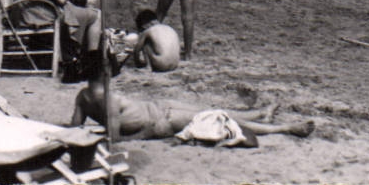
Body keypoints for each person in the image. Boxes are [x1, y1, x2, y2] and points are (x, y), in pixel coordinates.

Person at [67, 57, 314, 141]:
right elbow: (114, 138)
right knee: (218, 118)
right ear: (106, 72)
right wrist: (147, 135)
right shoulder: (109, 99)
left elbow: (75, 129)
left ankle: (261, 113)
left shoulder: (83, 96)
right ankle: (285, 128)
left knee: (212, 110)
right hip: (162, 120)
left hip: (160, 109)